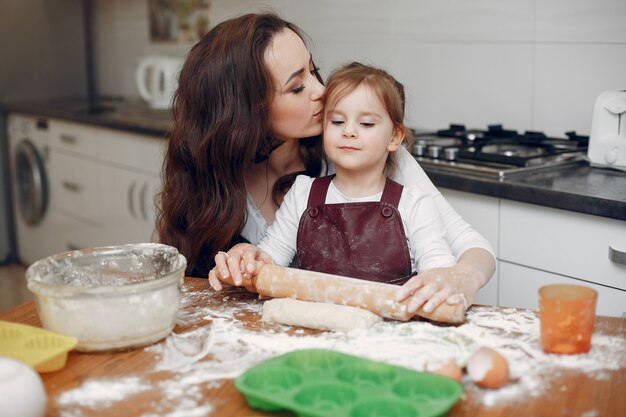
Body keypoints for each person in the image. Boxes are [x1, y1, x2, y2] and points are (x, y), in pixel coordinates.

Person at [157, 12, 495, 315]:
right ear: (245, 112)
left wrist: (460, 278)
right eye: (297, 86)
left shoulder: (363, 153)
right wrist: (241, 260)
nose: (321, 90)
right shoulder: (216, 178)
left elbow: (473, 248)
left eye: (313, 70)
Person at [212, 62, 457, 289]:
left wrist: (439, 282)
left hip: (388, 330)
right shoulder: (302, 194)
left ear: (394, 137)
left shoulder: (415, 204)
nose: (349, 131)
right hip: (313, 328)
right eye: (337, 121)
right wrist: (246, 259)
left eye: (366, 124)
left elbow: (439, 271)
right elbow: (269, 260)